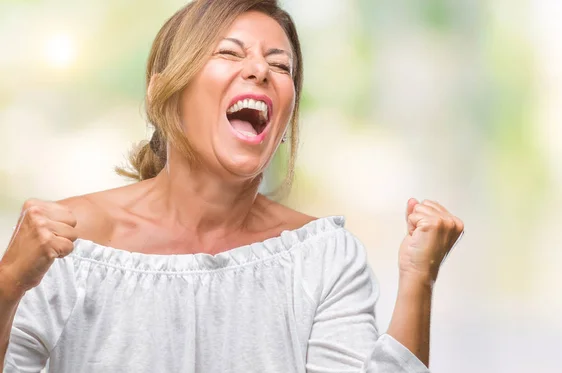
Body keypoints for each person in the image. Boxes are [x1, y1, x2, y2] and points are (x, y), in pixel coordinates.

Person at [0, 1, 464, 372]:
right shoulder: (66, 245)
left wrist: (418, 280)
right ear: (163, 91)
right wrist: (7, 284)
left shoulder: (323, 257)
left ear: (284, 120)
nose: (260, 71)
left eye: (280, 66)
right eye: (229, 52)